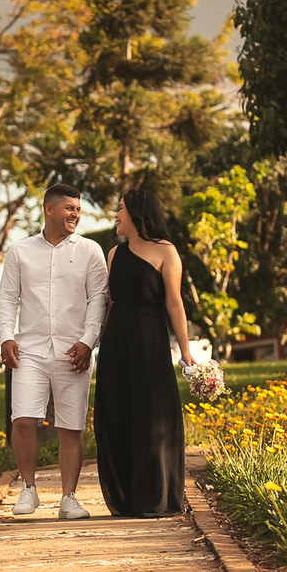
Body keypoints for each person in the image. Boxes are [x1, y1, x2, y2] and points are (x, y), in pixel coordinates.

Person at [0, 183, 109, 520]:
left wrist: (88, 341)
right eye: (69, 208)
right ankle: (28, 489)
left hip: (74, 351)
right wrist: (6, 336)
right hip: (29, 350)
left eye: (78, 209)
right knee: (22, 420)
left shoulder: (90, 250)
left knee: (71, 426)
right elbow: (7, 297)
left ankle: (69, 498)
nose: (76, 214)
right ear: (49, 209)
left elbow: (99, 299)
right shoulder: (20, 251)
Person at [94, 186, 193, 517]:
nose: (115, 215)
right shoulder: (114, 253)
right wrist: (95, 342)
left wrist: (185, 350)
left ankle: (155, 497)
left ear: (137, 213)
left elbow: (174, 302)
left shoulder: (166, 251)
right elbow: (109, 303)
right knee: (117, 412)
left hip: (149, 339)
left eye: (120, 208)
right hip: (116, 342)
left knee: (151, 414)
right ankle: (126, 498)